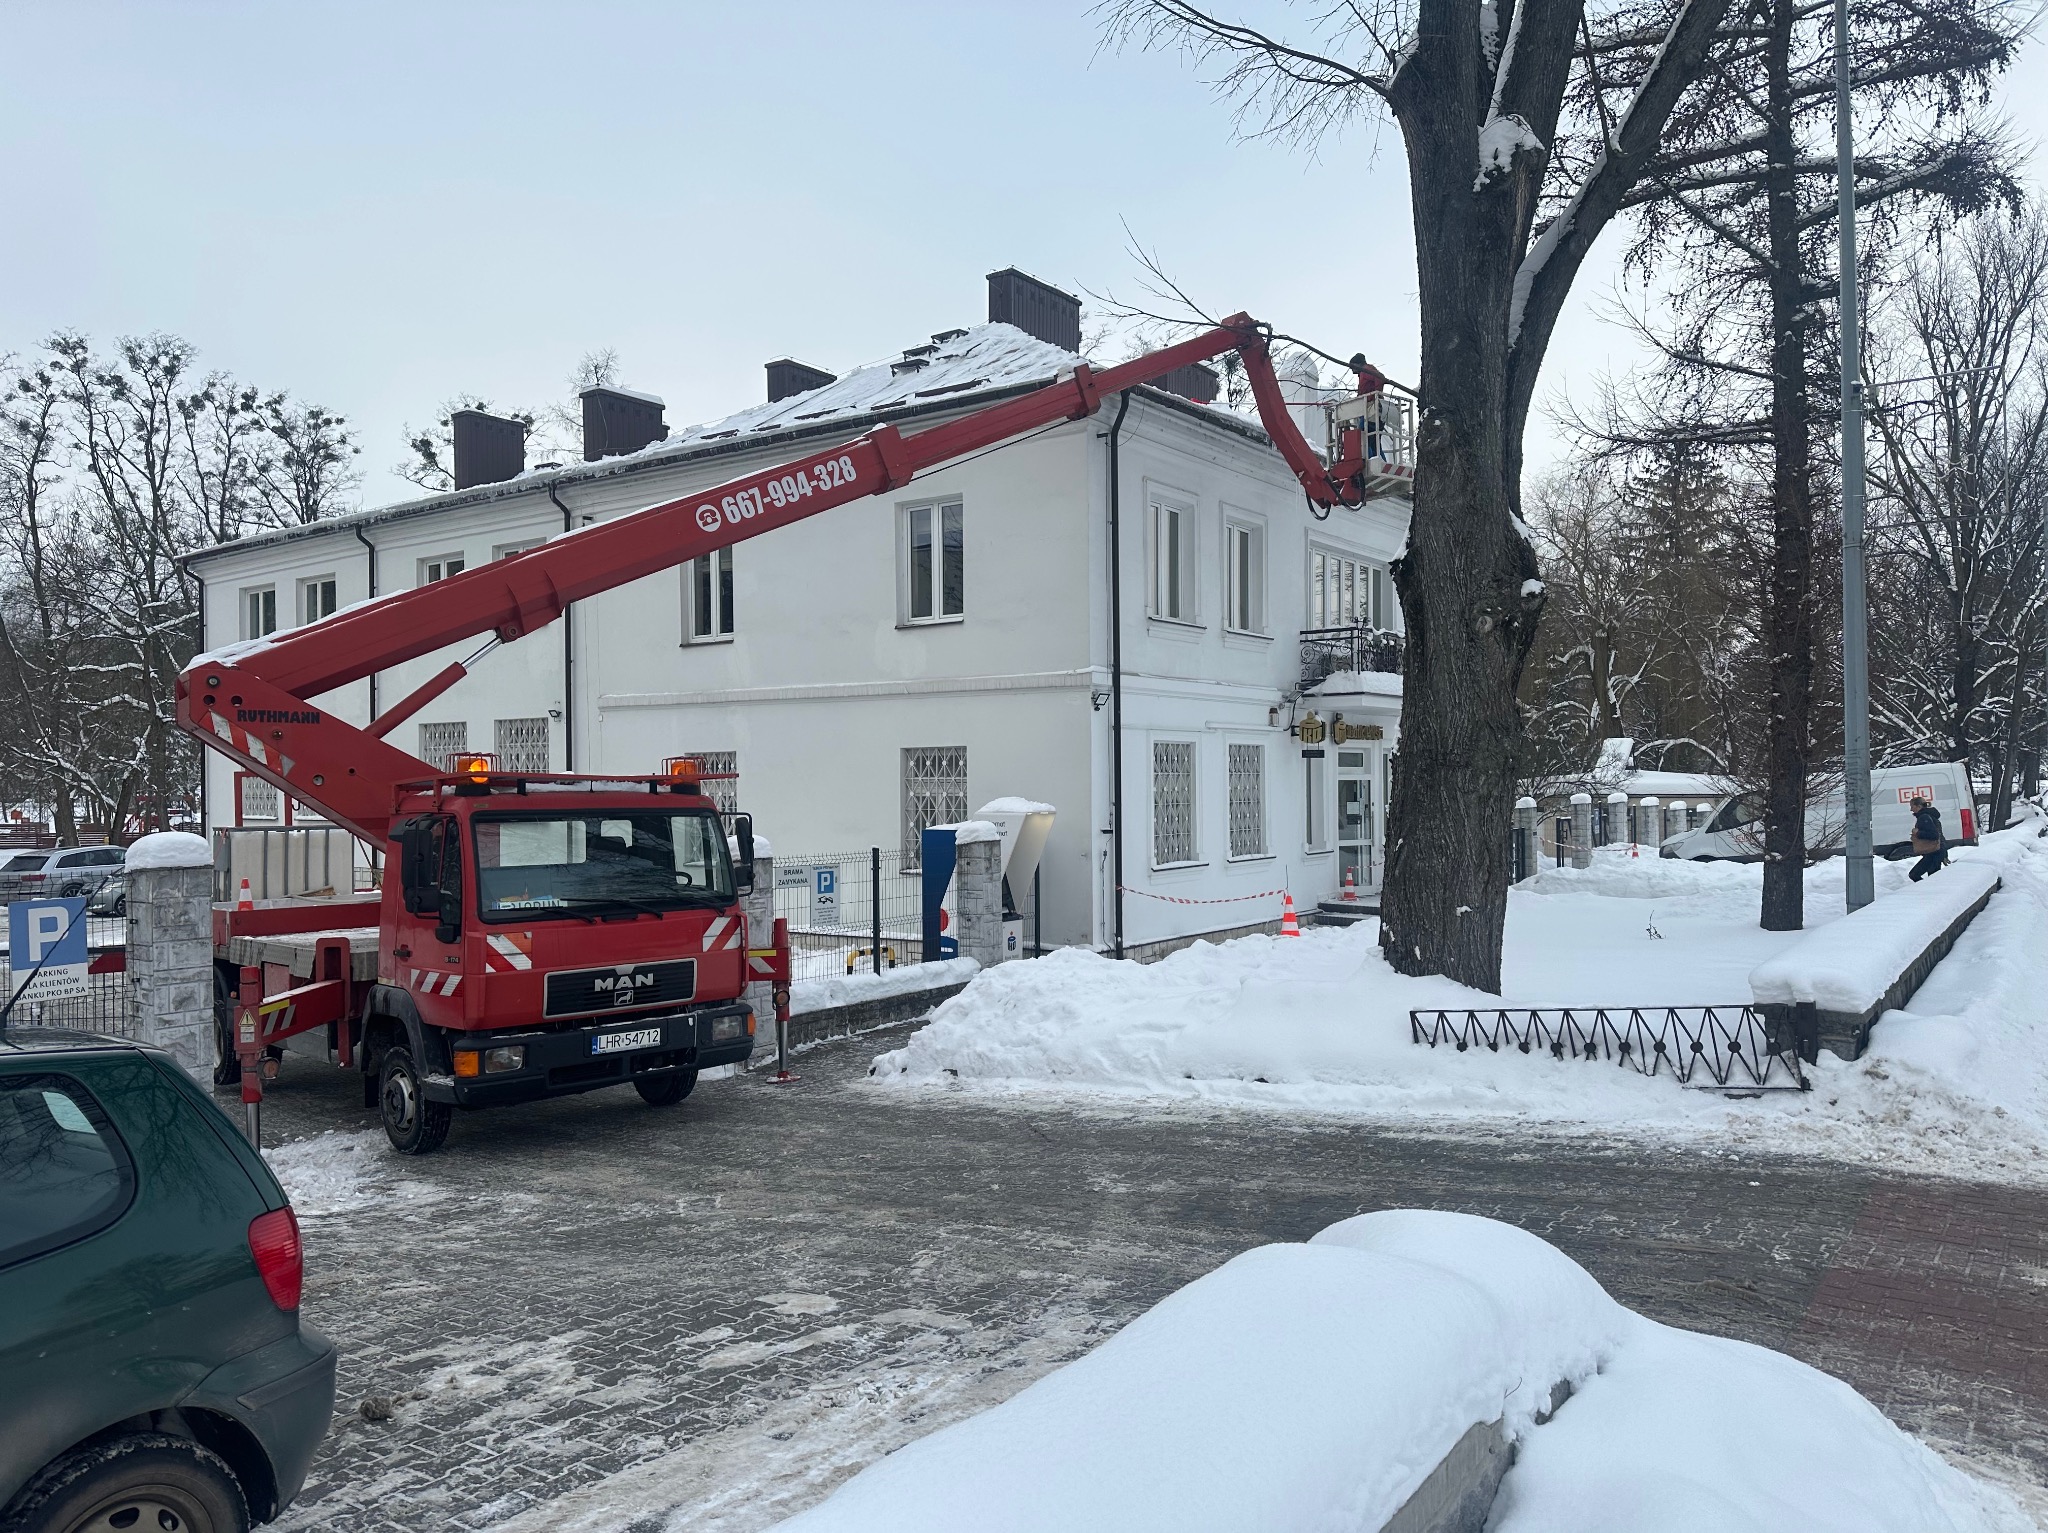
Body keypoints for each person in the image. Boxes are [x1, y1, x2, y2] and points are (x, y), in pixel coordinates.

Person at [1908, 795, 1948, 882]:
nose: (1911, 809)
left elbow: (1934, 835)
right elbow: (1939, 835)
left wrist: (1917, 833)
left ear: (1919, 806)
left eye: (1912, 806)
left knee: (1914, 874)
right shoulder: (1931, 815)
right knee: (1933, 878)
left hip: (1933, 853)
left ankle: (1926, 891)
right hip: (1937, 850)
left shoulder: (1924, 817)